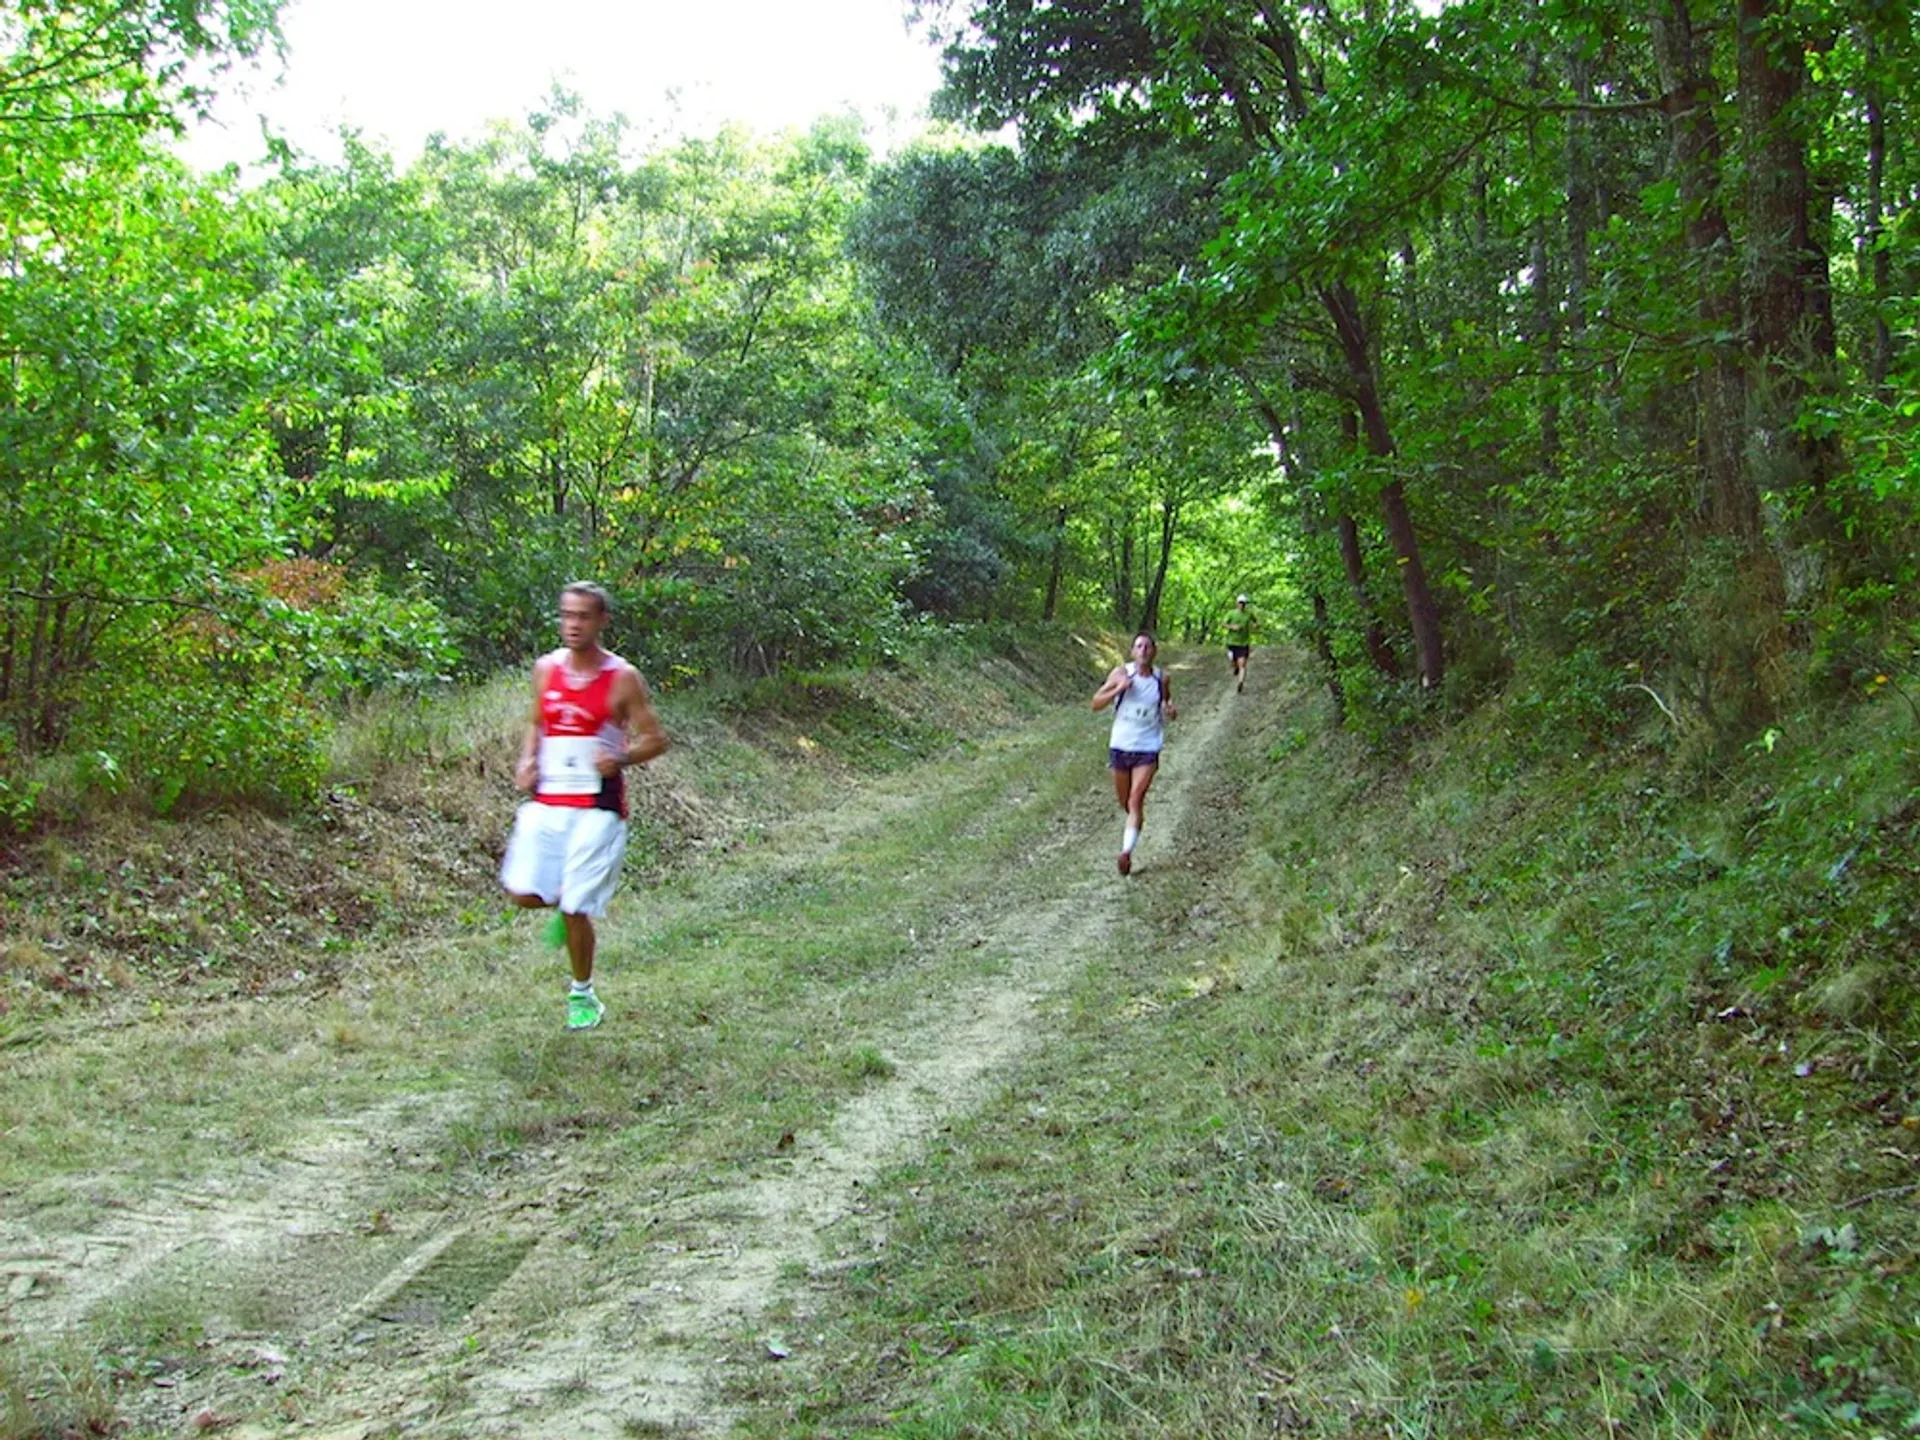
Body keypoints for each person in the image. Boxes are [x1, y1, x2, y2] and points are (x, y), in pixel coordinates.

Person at [500, 582, 669, 1030]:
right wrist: (527, 759)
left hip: (598, 804)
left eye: (583, 616)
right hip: (548, 799)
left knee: (576, 906)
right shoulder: (546, 669)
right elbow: (537, 723)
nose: (573, 625)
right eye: (567, 615)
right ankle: (569, 903)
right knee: (522, 893)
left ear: (601, 621)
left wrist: (621, 757)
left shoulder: (622, 677)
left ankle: (583, 994)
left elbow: (656, 739)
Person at [1091, 631, 1177, 876]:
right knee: (1125, 803)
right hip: (1120, 746)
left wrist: (1169, 708)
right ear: (1132, 652)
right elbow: (1095, 703)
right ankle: (1134, 825)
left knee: (1135, 799)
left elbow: (1165, 700)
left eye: (1148, 647)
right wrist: (1118, 689)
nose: (1143, 651)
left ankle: (1126, 852)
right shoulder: (1121, 674)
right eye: (1139, 646)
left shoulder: (1162, 678)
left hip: (1148, 747)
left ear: (1154, 651)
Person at [1222, 593, 1255, 693]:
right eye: (1240, 603)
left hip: (1244, 643)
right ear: (1237, 603)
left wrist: (1255, 626)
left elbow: (1256, 622)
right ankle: (1235, 667)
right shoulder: (1231, 613)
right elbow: (1223, 624)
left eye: (1244, 603)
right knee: (1234, 662)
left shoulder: (1249, 614)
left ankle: (1240, 682)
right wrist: (1232, 627)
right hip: (1232, 642)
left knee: (1243, 664)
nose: (1242, 605)